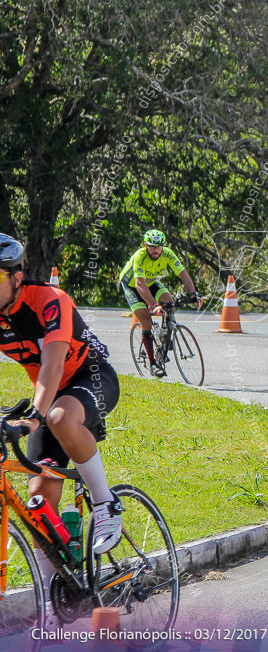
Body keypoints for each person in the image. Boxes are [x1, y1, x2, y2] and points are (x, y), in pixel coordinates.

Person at [0, 234, 124, 572]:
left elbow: (53, 365)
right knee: (39, 498)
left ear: (16, 277)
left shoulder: (50, 299)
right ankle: (56, 591)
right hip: (52, 395)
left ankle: (105, 503)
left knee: (57, 417)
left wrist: (33, 418)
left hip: (92, 378)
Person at [117, 229, 202, 377]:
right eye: (152, 247)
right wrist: (154, 305)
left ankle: (165, 335)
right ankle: (153, 364)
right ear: (145, 245)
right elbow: (139, 285)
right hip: (133, 286)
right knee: (145, 319)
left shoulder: (168, 254)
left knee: (169, 302)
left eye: (159, 247)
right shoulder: (140, 257)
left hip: (151, 282)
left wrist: (194, 294)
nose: (156, 250)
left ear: (163, 246)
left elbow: (182, 273)